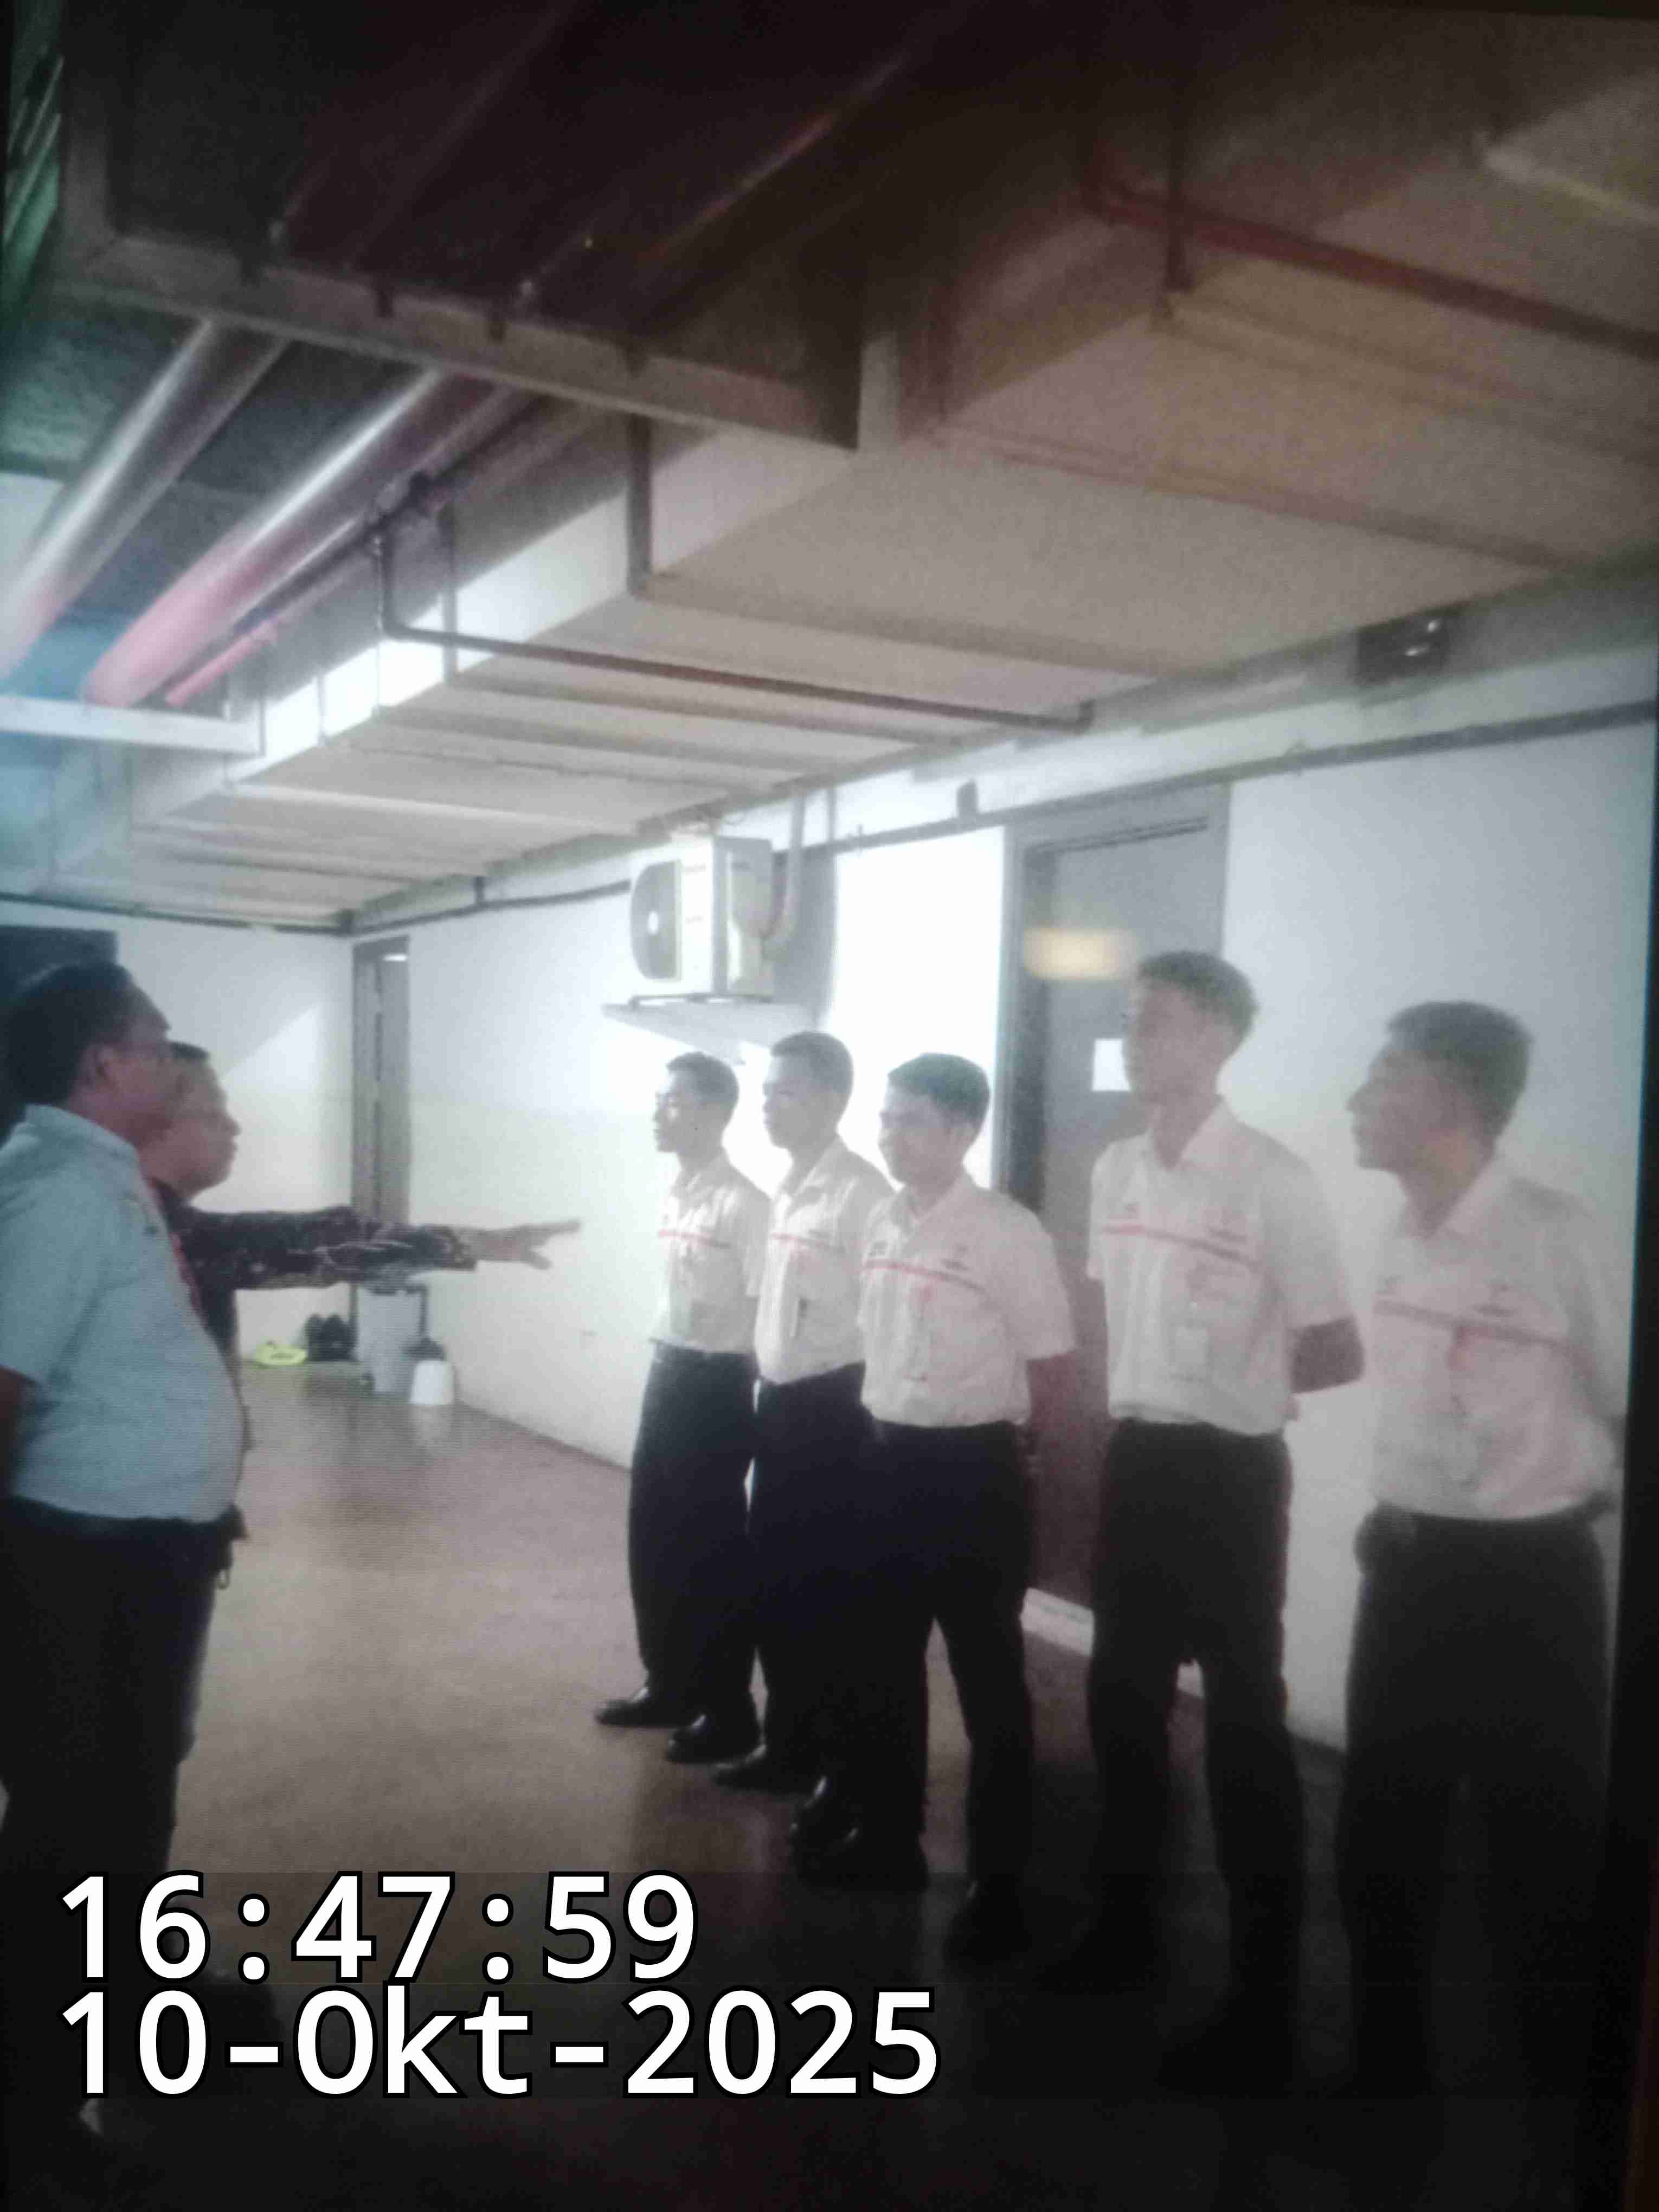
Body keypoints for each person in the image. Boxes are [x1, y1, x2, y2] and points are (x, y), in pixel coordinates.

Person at [1054, 951, 1362, 2094]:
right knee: (1122, 1703)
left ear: (1220, 1039)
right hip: (1138, 1460)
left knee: (1244, 1726)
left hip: (1232, 1471)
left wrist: (1236, 1381)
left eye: (1158, 1024)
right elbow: (1109, 1313)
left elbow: (1336, 1348)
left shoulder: (1274, 1178)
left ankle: (1263, 1997)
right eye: (1129, 1023)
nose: (1134, 1043)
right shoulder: (1116, 1168)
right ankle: (1123, 1929)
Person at [1339, 1005, 1622, 2132]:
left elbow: (1626, 1399)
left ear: (1455, 1096)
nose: (1359, 1099)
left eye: (1385, 1075)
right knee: (1382, 1833)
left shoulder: (1560, 1237)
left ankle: (1556, 2100)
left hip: (1529, 1579)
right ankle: (1387, 2074)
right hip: (1410, 1563)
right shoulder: (1401, 1233)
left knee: (1539, 1841)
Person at [0, 963, 242, 2192]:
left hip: (142, 1551)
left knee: (130, 1804)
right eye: (155, 1038)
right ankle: (36, 2103)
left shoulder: (102, 1176)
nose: (168, 1054)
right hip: (81, 1560)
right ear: (104, 1063)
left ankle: (134, 2020)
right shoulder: (56, 1190)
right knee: (69, 1828)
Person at [799, 1053, 1076, 1969]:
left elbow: (1051, 1365)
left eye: (910, 1119)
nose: (889, 1135)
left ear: (963, 1131)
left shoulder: (1006, 1231)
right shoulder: (884, 1218)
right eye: (885, 1118)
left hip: (972, 1474)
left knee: (988, 1679)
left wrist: (1025, 1460)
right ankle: (890, 1842)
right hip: (886, 1460)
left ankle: (1000, 1886)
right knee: (882, 1663)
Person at [144, 1042, 576, 1359]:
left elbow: (314, 1241)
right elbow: (314, 1243)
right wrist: (475, 1244)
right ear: (154, 1123)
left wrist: (475, 1244)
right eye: (212, 1113)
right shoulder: (151, 1235)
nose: (232, 1127)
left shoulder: (151, 1221)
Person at [713, 1032, 889, 1795]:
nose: (768, 1105)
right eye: (766, 1091)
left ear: (833, 1100)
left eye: (785, 1091)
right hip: (781, 1405)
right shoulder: (789, 1186)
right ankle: (789, 1741)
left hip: (835, 1410)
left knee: (826, 1589)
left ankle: (833, 1760)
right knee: (777, 1582)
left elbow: (881, 1318)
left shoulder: (861, 1195)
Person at [595, 1052, 769, 1764]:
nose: (657, 1113)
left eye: (672, 1101)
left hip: (716, 1384)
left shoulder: (746, 1204)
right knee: (654, 1537)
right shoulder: (678, 1190)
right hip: (666, 1371)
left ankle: (728, 1711)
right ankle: (668, 1683)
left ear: (715, 1112)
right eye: (659, 1099)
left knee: (710, 1552)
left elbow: (763, 1313)